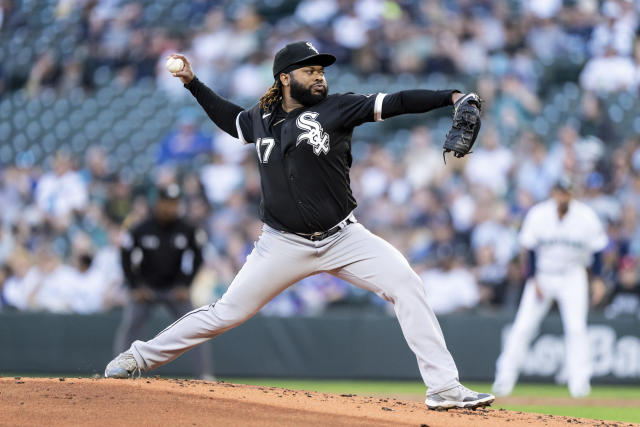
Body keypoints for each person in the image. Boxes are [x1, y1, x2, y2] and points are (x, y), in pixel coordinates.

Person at [105, 41, 494, 410]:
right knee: (225, 313)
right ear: (285, 78)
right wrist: (192, 83)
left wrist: (451, 97)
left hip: (344, 237)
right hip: (281, 244)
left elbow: (398, 102)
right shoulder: (261, 118)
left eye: (321, 70)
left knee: (407, 284)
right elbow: (229, 119)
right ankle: (136, 357)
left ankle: (443, 388)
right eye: (310, 70)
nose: (320, 76)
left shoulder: (340, 108)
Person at [492, 177, 608, 398]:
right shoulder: (539, 214)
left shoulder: (586, 217)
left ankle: (579, 384)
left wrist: (598, 280)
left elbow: (598, 250)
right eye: (559, 191)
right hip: (543, 275)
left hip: (573, 275)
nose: (563, 195)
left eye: (566, 191)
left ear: (572, 193)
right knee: (523, 326)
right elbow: (529, 249)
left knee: (576, 328)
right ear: (553, 192)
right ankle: (504, 379)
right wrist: (533, 279)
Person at [113, 184, 213, 379]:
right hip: (146, 289)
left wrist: (186, 284)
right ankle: (119, 370)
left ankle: (204, 374)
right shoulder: (141, 228)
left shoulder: (187, 229)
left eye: (175, 203)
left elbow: (199, 258)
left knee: (195, 326)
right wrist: (135, 286)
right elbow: (125, 256)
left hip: (175, 290)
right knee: (131, 326)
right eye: (167, 203)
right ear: (157, 203)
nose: (171, 208)